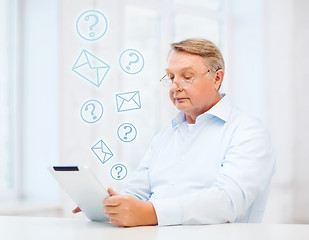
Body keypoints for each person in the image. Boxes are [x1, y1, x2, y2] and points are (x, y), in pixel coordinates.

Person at [73, 38, 275, 227]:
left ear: (217, 78)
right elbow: (138, 191)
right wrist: (113, 206)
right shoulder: (166, 134)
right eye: (171, 77)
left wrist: (151, 213)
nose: (174, 86)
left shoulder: (248, 132)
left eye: (187, 77)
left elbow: (229, 202)